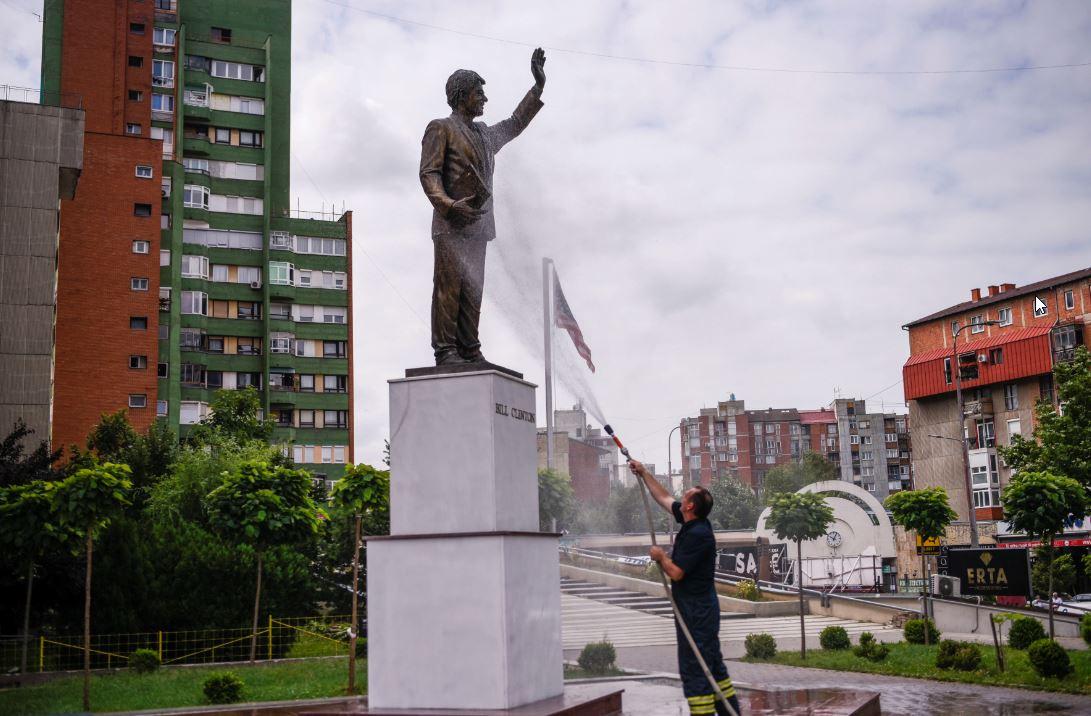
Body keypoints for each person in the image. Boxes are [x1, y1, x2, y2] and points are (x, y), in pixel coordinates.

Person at [419, 48, 546, 366]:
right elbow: (429, 173)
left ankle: (469, 348)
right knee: (449, 288)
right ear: (463, 96)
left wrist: (538, 87)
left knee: (473, 291)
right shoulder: (441, 128)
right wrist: (448, 205)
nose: (485, 99)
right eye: (479, 93)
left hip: (479, 225)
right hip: (451, 224)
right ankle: (446, 350)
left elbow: (515, 123)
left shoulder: (485, 135)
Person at [629, 459, 741, 716]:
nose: (684, 493)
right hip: (697, 608)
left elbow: (677, 573)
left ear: (690, 506)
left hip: (697, 611)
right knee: (712, 665)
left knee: (695, 666)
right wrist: (645, 473)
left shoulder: (698, 535)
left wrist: (661, 557)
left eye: (689, 493)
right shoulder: (692, 522)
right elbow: (664, 498)